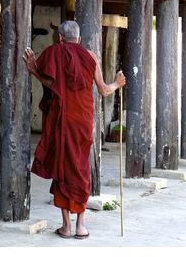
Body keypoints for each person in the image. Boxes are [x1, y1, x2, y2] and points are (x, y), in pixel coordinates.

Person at [23, 21, 126, 239]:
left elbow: (52, 85)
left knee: (63, 165)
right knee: (80, 167)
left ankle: (66, 227)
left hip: (62, 120)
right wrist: (117, 83)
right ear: (79, 39)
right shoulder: (91, 57)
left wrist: (33, 70)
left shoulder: (54, 53)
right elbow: (105, 91)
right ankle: (81, 226)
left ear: (59, 38)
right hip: (82, 122)